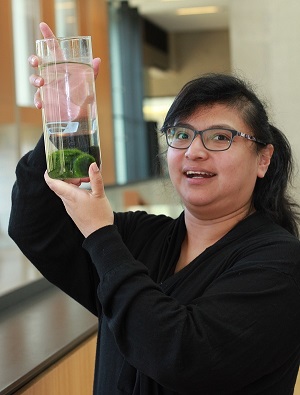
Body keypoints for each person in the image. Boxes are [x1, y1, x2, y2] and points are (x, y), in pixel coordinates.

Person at [8, 22, 300, 395]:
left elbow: (181, 355)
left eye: (220, 137)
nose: (195, 150)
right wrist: (64, 120)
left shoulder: (282, 264)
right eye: (181, 134)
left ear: (263, 158)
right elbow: (35, 227)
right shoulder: (140, 238)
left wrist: (100, 234)